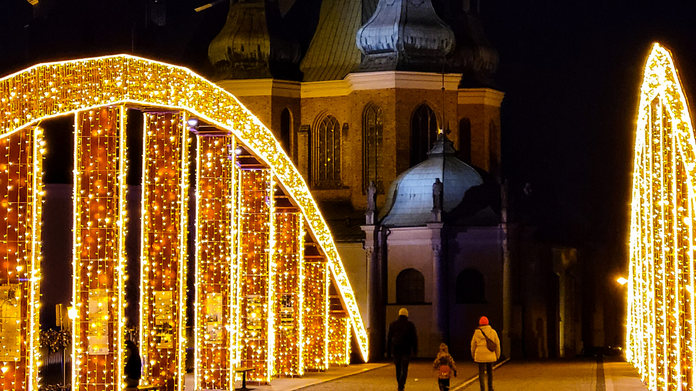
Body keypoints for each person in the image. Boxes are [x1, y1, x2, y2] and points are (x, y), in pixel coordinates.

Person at [387, 307, 418, 391]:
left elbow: (389, 338)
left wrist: (388, 351)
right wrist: (415, 350)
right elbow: (414, 338)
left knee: (398, 367)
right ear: (407, 315)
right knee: (404, 368)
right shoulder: (410, 325)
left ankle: (399, 383)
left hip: (396, 349)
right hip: (406, 349)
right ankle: (401, 385)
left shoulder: (393, 324)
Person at [470, 316, 500, 391]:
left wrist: (473, 354)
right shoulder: (493, 332)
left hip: (480, 356)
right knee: (490, 372)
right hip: (490, 355)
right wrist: (497, 355)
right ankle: (490, 387)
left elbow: (473, 345)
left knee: (481, 373)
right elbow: (497, 344)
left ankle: (482, 388)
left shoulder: (476, 333)